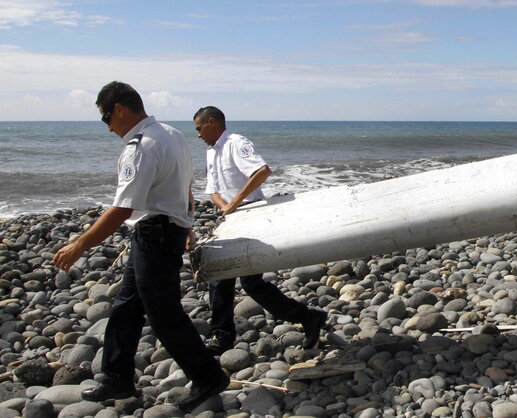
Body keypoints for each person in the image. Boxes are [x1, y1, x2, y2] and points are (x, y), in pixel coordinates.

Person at [53, 82, 229, 412]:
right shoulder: (172, 135)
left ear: (120, 109)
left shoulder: (142, 145)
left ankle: (208, 376)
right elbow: (184, 184)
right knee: (126, 307)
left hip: (155, 236)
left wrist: (79, 245)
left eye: (107, 118)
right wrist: (186, 223)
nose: (108, 128)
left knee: (164, 316)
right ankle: (116, 376)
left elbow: (122, 209)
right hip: (160, 232)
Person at [193, 106, 327, 353]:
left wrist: (234, 203)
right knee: (228, 278)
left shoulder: (236, 143)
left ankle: (224, 337)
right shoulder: (211, 152)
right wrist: (225, 207)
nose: (198, 135)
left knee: (244, 280)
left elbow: (261, 171)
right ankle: (224, 336)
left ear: (212, 123)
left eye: (199, 129)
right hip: (231, 218)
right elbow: (212, 188)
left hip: (251, 213)